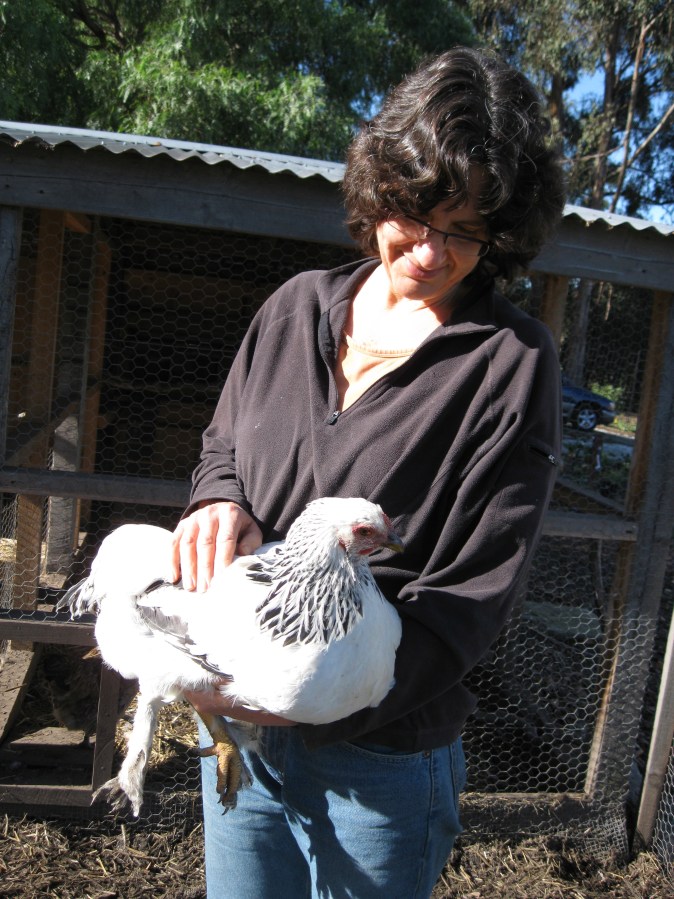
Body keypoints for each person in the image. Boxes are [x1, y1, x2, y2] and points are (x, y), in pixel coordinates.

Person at [171, 46, 565, 899]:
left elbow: (471, 594)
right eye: (417, 214)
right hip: (240, 730)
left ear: (501, 234)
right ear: (380, 189)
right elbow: (224, 444)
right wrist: (217, 498)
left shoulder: (509, 362)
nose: (430, 252)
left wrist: (319, 697)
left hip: (380, 757)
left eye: (466, 231)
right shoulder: (295, 307)